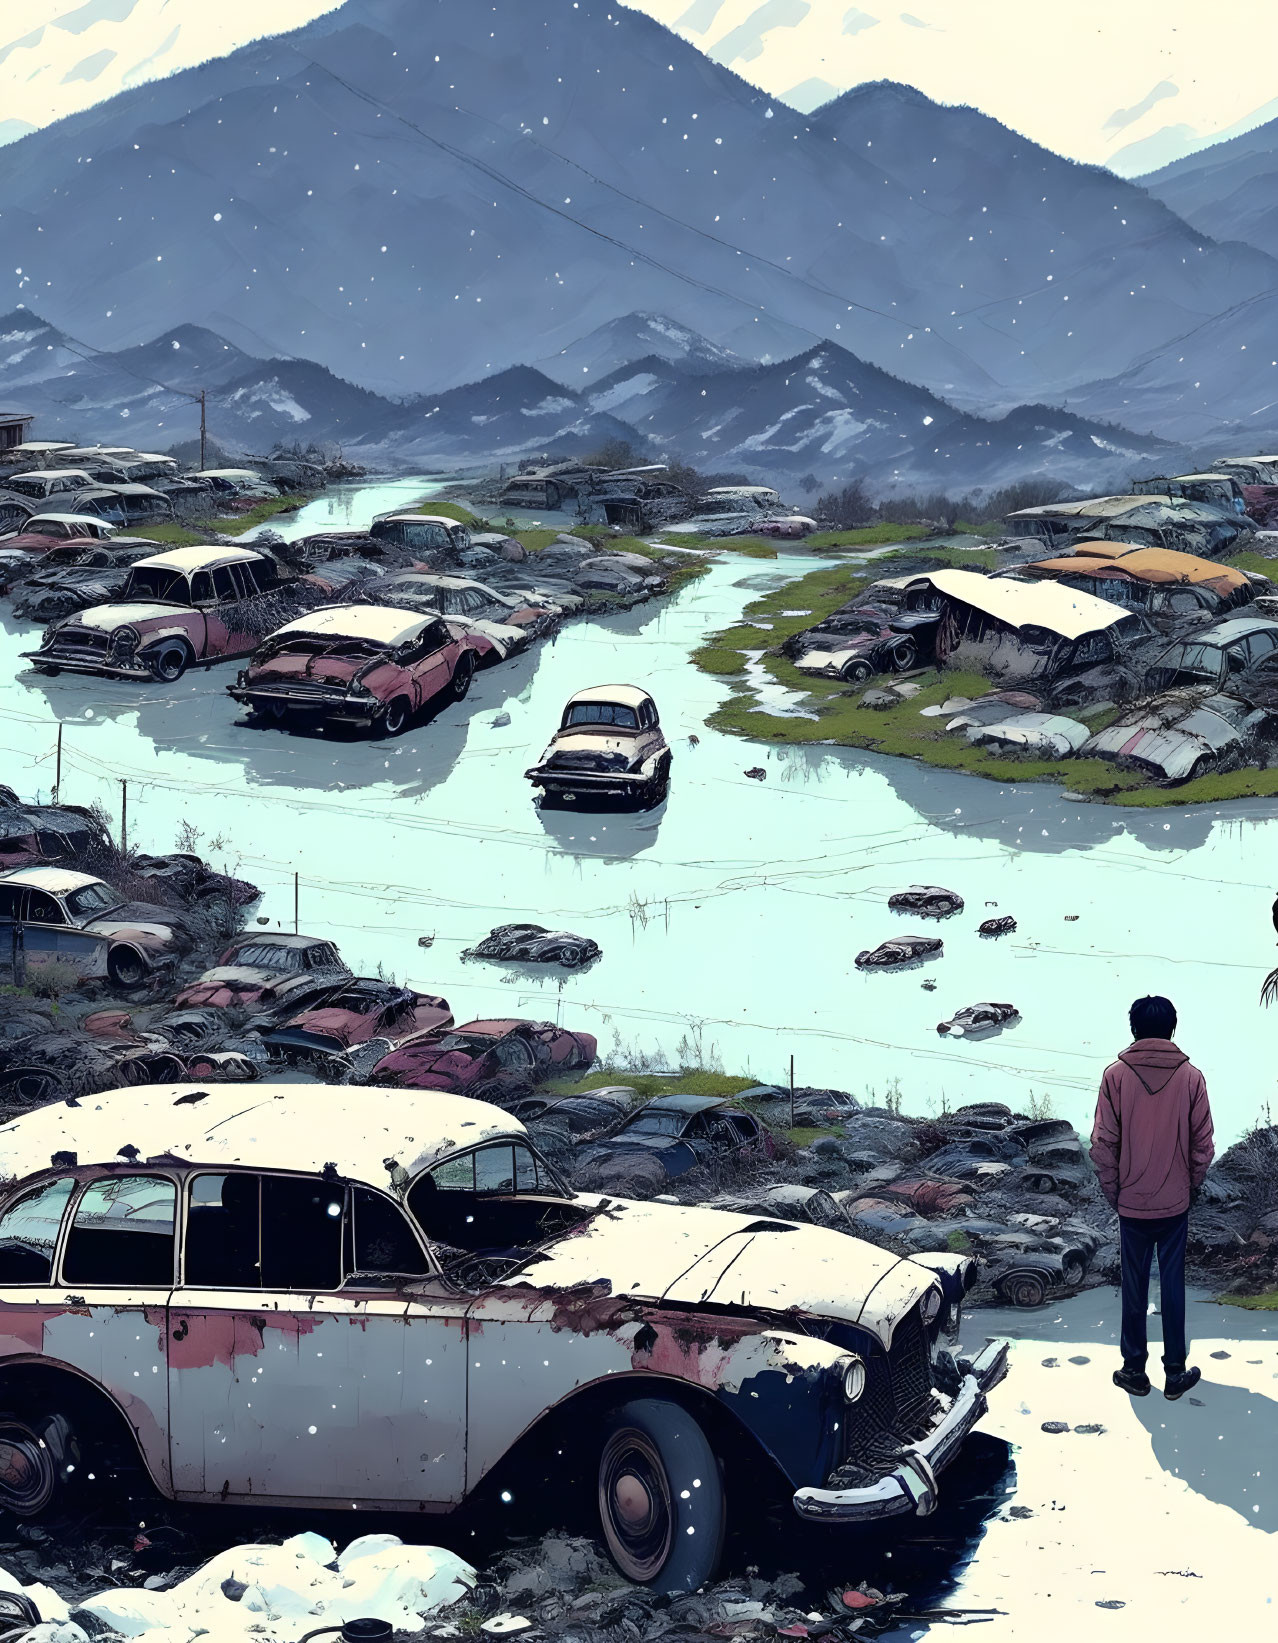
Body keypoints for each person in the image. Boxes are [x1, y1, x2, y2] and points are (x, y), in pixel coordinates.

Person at [1090, 995, 1214, 1401]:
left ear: (1134, 1029)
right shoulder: (1192, 1078)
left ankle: (1133, 1370)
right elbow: (1203, 1144)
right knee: (1173, 1286)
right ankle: (1175, 1372)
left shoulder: (1115, 1076)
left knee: (1134, 1287)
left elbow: (1103, 1143)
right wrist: (1191, 1185)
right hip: (1175, 1202)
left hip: (1131, 1203)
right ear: (1172, 1029)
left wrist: (1114, 1191)